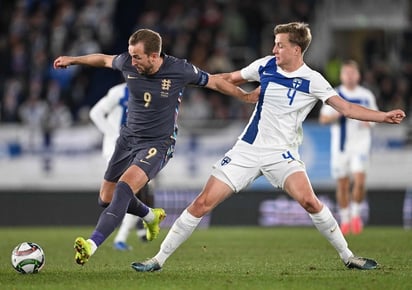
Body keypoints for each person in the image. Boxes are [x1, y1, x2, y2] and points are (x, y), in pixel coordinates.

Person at [131, 22, 406, 272]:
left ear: (296, 50)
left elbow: (345, 108)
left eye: (280, 45)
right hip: (247, 150)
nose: (274, 48)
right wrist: (192, 78)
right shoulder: (265, 65)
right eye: (274, 44)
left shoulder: (313, 80)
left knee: (310, 201)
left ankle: (348, 256)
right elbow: (229, 77)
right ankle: (157, 260)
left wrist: (382, 116)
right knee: (202, 203)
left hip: (282, 155)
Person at [53, 28, 258, 266]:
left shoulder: (179, 69)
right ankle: (151, 215)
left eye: (138, 56)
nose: (133, 60)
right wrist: (73, 60)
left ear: (154, 55)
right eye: (131, 55)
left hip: (157, 144)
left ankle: (91, 244)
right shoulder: (127, 63)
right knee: (105, 198)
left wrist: (244, 97)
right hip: (127, 139)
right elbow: (103, 59)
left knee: (123, 189)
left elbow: (214, 82)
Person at [89, 82, 152, 250]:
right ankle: (133, 230)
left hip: (137, 149)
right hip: (115, 150)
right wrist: (115, 134)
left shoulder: (151, 90)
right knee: (125, 193)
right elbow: (95, 113)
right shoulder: (119, 91)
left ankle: (127, 234)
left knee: (132, 192)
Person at [319, 60, 378, 235]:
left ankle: (356, 215)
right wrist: (336, 116)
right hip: (340, 148)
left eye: (353, 73)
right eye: (346, 73)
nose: (350, 76)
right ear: (342, 75)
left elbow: (375, 116)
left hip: (360, 146)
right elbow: (323, 119)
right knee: (343, 184)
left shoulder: (366, 95)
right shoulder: (334, 94)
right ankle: (345, 219)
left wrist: (369, 121)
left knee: (359, 181)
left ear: (358, 75)